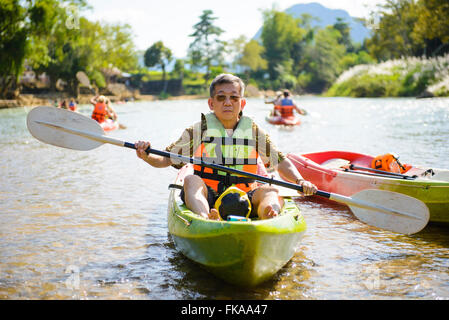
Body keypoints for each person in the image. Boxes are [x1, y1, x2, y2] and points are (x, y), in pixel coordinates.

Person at [134, 74, 317, 221]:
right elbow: (166, 159)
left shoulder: (253, 131)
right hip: (209, 195)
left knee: (271, 191)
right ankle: (206, 218)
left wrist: (300, 181)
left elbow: (280, 161)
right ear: (211, 103)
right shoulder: (199, 130)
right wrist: (146, 154)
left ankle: (269, 214)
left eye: (233, 97)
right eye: (221, 98)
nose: (227, 102)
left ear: (242, 103)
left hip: (245, 196)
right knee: (191, 180)